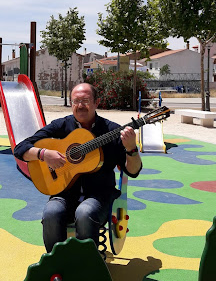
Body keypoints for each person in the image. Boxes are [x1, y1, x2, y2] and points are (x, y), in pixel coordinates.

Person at [13, 82, 142, 253]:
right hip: (64, 194)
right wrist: (44, 154)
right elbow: (20, 149)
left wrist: (131, 148)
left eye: (86, 100)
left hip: (99, 196)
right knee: (51, 213)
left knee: (85, 212)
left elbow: (132, 172)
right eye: (76, 101)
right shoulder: (61, 126)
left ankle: (87, 267)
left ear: (96, 103)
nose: (80, 106)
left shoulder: (111, 131)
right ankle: (57, 264)